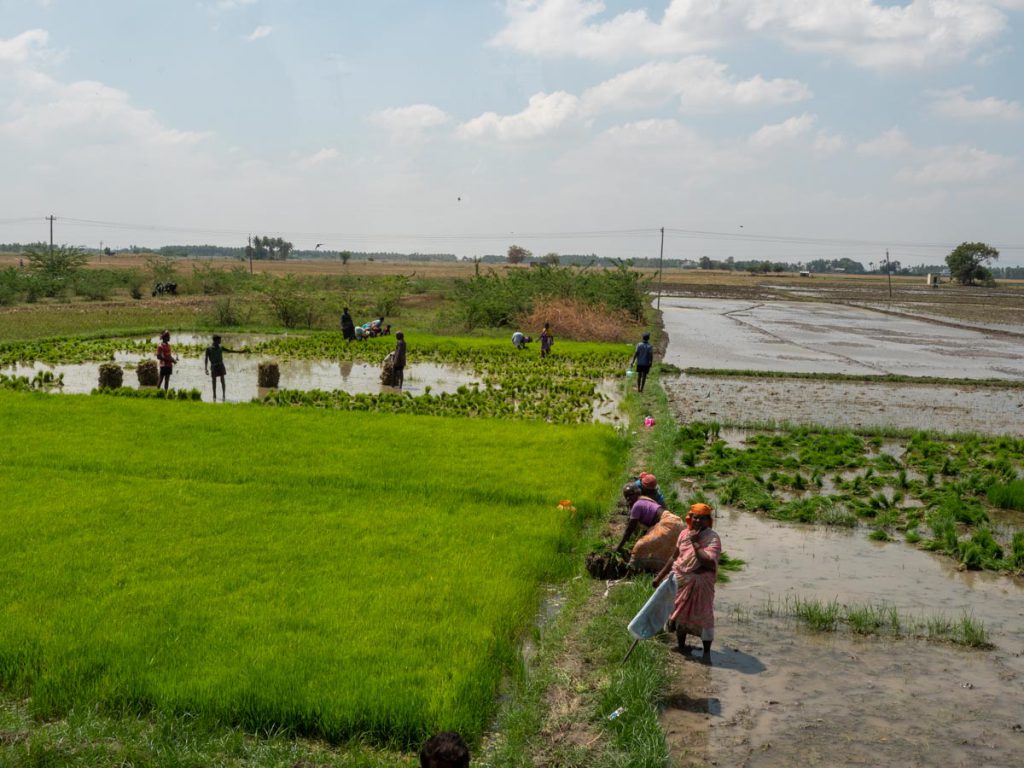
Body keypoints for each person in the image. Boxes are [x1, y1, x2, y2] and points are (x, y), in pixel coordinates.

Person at [653, 503, 722, 663]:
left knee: (704, 618)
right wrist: (659, 577)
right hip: (681, 579)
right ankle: (681, 646)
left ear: (707, 520)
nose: (697, 521)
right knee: (679, 615)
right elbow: (674, 557)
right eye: (694, 517)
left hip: (701, 584)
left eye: (701, 518)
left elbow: (709, 563)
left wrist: (696, 543)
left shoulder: (712, 538)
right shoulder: (684, 533)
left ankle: (706, 653)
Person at [616, 494, 685, 572]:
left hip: (668, 524)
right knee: (667, 550)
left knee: (640, 546)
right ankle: (662, 570)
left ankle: (632, 570)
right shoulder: (645, 500)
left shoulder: (636, 506)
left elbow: (629, 529)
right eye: (626, 495)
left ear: (637, 493)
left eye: (631, 494)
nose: (628, 498)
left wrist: (619, 546)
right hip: (676, 522)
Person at [203, 334, 240, 402]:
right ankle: (214, 395)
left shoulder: (220, 347)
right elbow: (206, 359)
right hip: (213, 366)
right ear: (215, 340)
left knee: (222, 380)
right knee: (214, 381)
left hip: (220, 365)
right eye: (219, 340)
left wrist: (239, 352)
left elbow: (229, 351)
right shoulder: (208, 349)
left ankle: (223, 395)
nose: (220, 341)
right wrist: (205, 369)